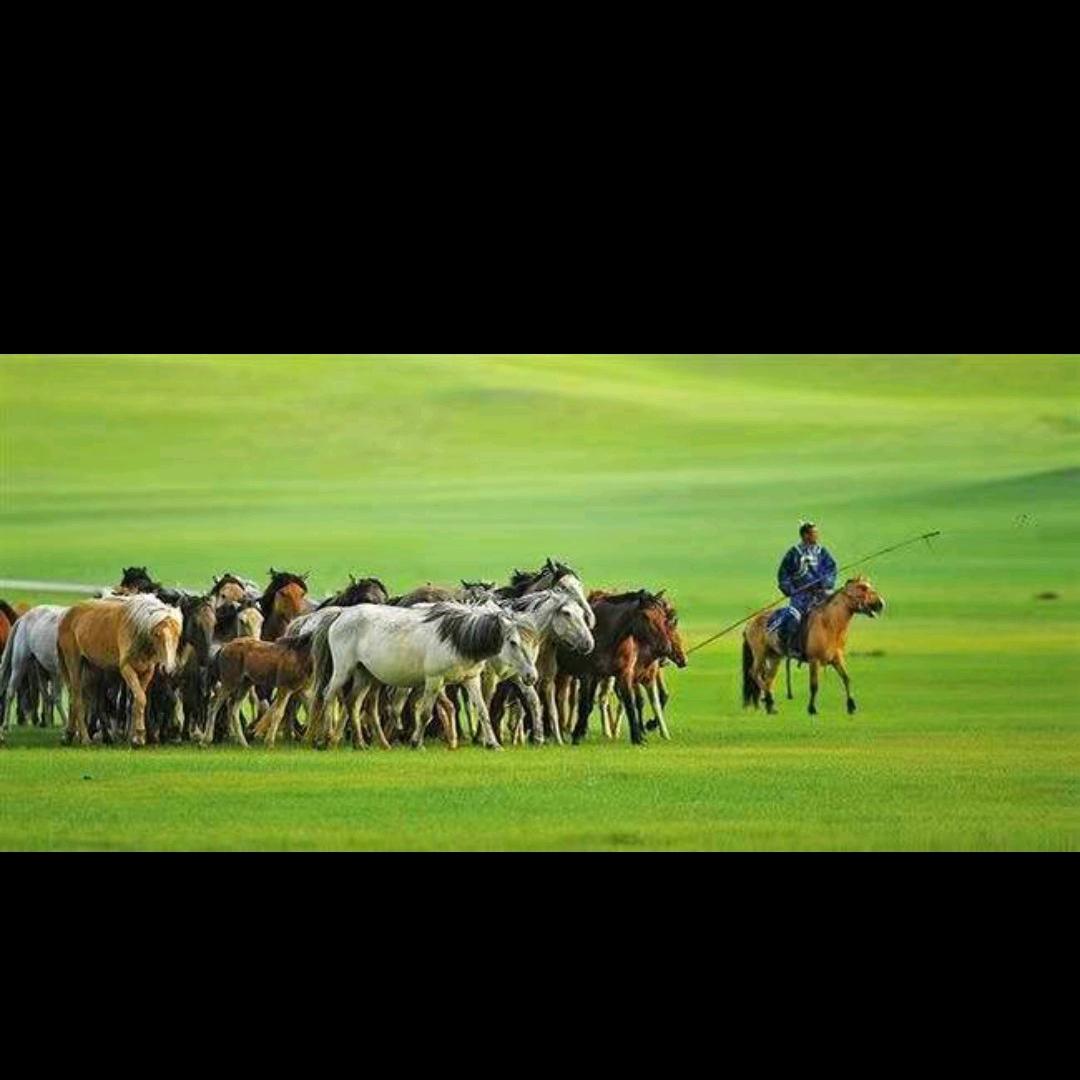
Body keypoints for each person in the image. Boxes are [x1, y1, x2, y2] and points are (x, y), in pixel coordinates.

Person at [775, 521, 837, 659]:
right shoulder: (793, 553)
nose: (817, 536)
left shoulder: (822, 552)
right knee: (793, 619)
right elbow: (783, 575)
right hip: (800, 597)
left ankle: (833, 646)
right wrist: (791, 590)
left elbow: (832, 568)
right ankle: (790, 647)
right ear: (805, 535)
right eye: (813, 533)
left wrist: (826, 582)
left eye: (817, 533)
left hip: (821, 595)